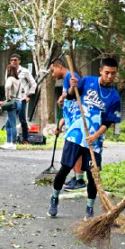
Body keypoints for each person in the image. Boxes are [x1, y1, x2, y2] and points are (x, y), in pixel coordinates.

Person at [48, 57, 121, 220]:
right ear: (101, 71)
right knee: (65, 168)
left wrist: (95, 136)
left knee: (92, 175)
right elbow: (70, 97)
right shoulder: (87, 82)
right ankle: (54, 198)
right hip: (76, 134)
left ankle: (89, 208)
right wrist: (73, 88)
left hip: (94, 141)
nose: (109, 76)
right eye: (107, 73)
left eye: (113, 74)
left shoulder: (114, 97)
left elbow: (108, 123)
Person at [49, 58, 84, 189]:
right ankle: (75, 177)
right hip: (70, 120)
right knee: (73, 152)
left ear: (59, 67)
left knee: (77, 151)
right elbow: (68, 104)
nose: (53, 74)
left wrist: (63, 96)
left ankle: (80, 179)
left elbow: (78, 90)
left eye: (53, 71)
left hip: (77, 121)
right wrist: (60, 125)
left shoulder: (70, 76)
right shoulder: (65, 80)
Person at [9, 54, 37, 145]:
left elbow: (33, 84)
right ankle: (11, 140)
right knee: (10, 119)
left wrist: (28, 95)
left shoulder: (24, 71)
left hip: (21, 98)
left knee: (22, 119)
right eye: (12, 60)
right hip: (12, 98)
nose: (13, 62)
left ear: (19, 61)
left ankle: (25, 139)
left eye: (15, 60)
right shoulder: (9, 71)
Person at [2, 65, 24, 150]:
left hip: (12, 102)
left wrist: (7, 98)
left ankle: (13, 143)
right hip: (19, 102)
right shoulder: (18, 80)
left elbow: (7, 87)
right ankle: (8, 142)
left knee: (12, 124)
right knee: (8, 123)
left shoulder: (9, 79)